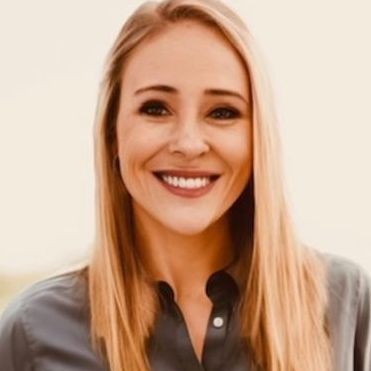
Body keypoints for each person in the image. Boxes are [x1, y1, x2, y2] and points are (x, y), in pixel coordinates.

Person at [0, 0, 370, 370]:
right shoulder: (34, 333)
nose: (189, 144)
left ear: (258, 135)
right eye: (156, 109)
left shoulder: (342, 302)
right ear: (113, 131)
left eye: (222, 112)